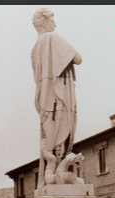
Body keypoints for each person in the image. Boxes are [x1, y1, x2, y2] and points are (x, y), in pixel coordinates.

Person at [31, 8, 82, 188]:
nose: (55, 23)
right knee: (63, 134)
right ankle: (58, 169)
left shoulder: (35, 48)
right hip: (60, 97)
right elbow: (78, 58)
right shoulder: (53, 38)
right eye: (53, 20)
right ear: (45, 21)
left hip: (45, 99)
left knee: (50, 138)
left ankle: (53, 170)